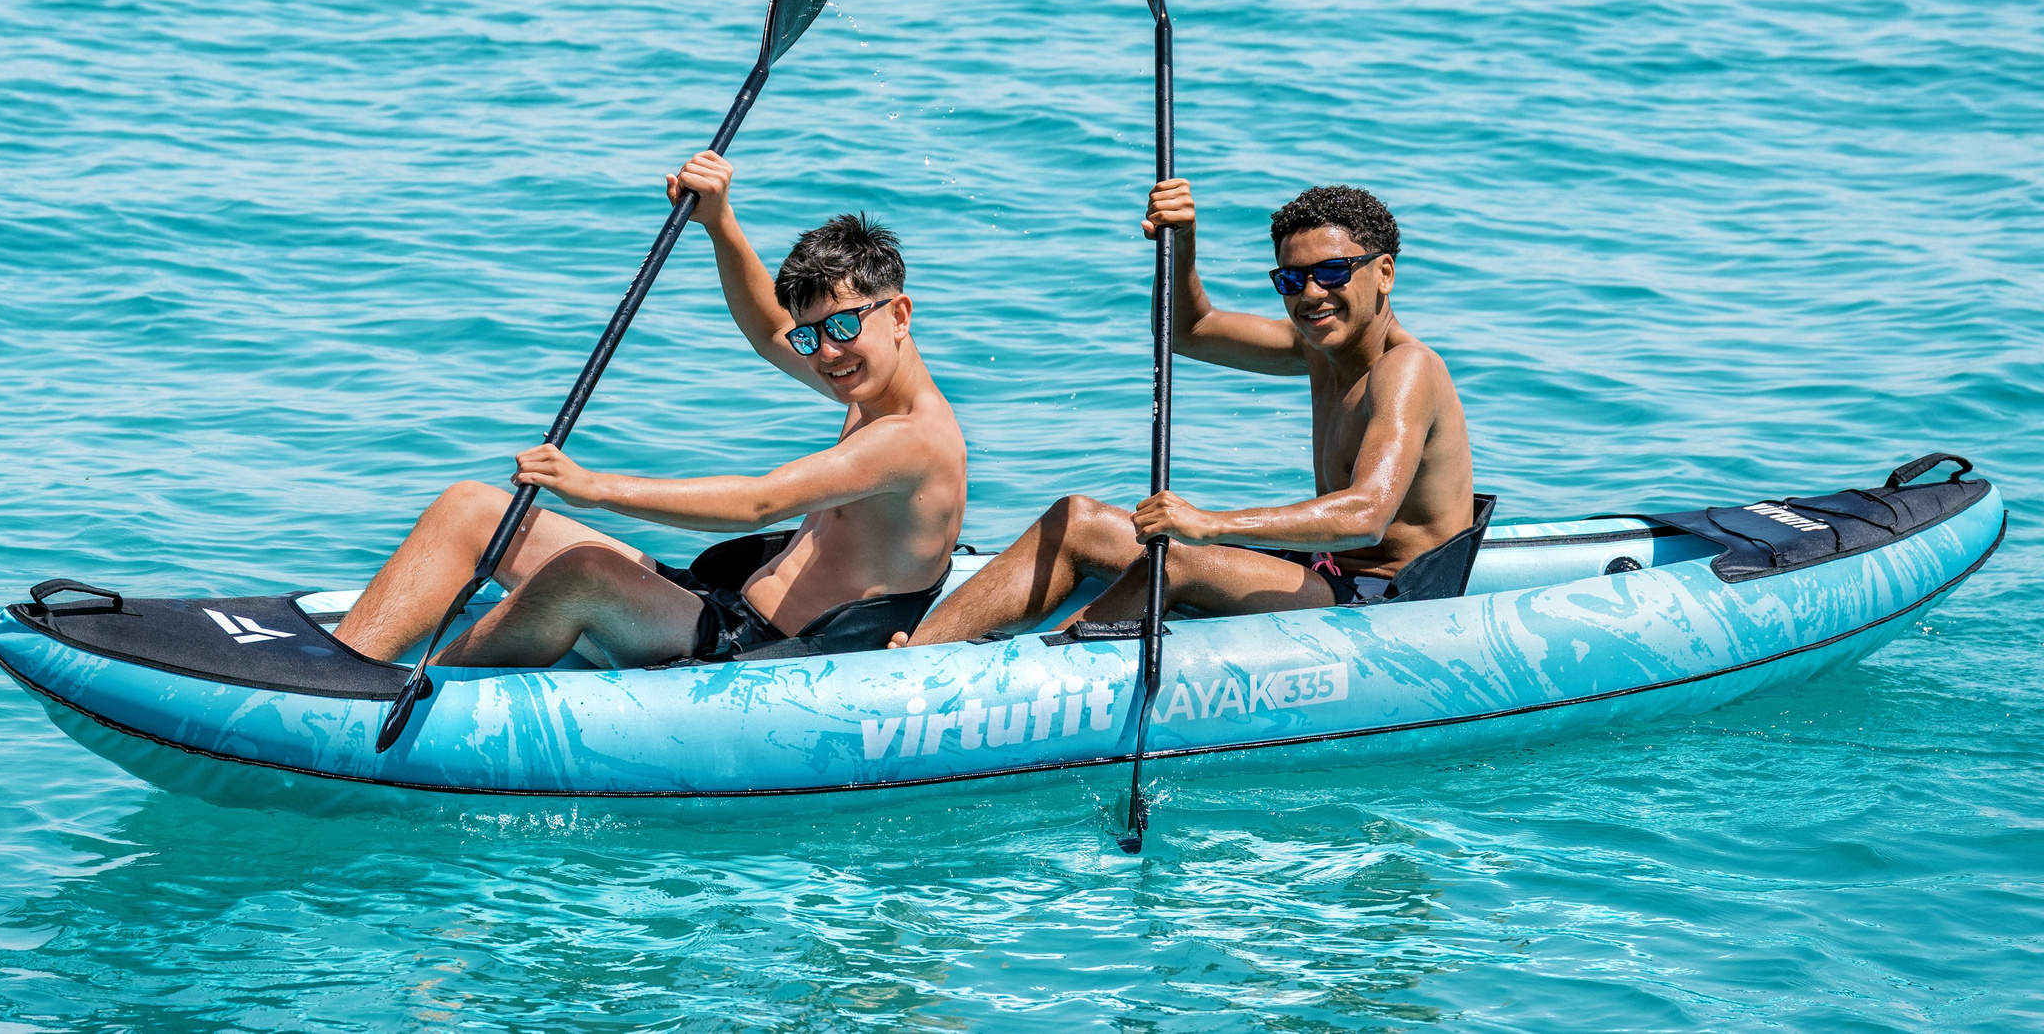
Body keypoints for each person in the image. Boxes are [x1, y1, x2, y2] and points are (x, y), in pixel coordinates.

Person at [337, 152, 967, 670]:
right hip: (722, 609)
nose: (825, 353)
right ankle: (337, 672)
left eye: (843, 327)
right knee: (470, 509)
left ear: (900, 315)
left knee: (582, 572)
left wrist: (597, 488)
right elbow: (770, 330)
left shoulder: (913, 438)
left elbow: (760, 502)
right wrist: (720, 223)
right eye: (813, 336)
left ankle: (412, 700)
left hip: (762, 656)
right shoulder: (864, 381)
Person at [902, 180, 1471, 646]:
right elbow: (1188, 330)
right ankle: (919, 652)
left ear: (1385, 274)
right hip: (1324, 573)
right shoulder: (1320, 348)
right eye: (1292, 280)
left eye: (1333, 272)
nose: (1311, 295)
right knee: (1076, 521)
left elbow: (1367, 515)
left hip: (1384, 604)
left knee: (1172, 560)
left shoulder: (1408, 368)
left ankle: (1039, 670)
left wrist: (1212, 525)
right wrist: (1183, 242)